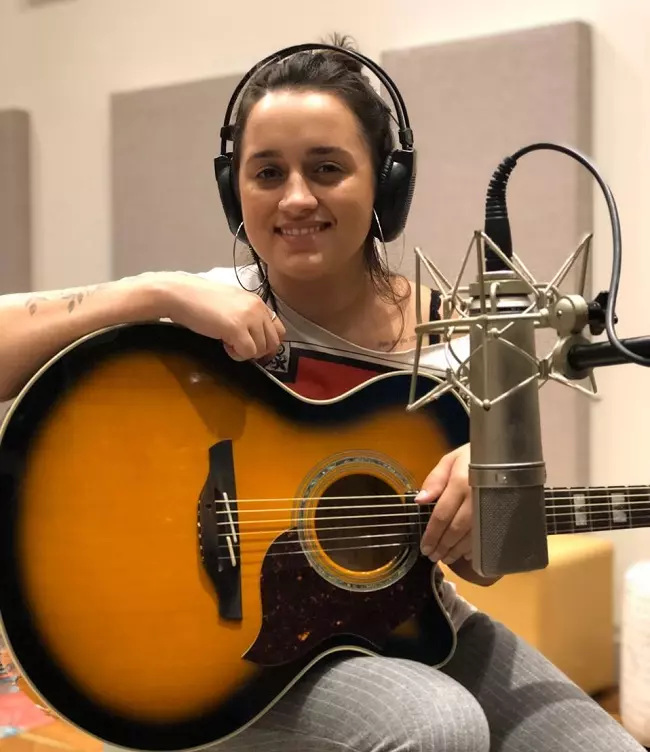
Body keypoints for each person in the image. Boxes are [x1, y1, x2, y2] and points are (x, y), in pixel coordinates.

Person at [0, 35, 643, 752]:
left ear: (386, 185)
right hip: (226, 663)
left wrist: (482, 496)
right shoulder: (204, 313)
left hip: (406, 619)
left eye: (328, 168)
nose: (297, 197)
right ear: (234, 190)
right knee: (439, 727)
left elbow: (482, 570)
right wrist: (149, 291)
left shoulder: (462, 339)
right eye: (267, 172)